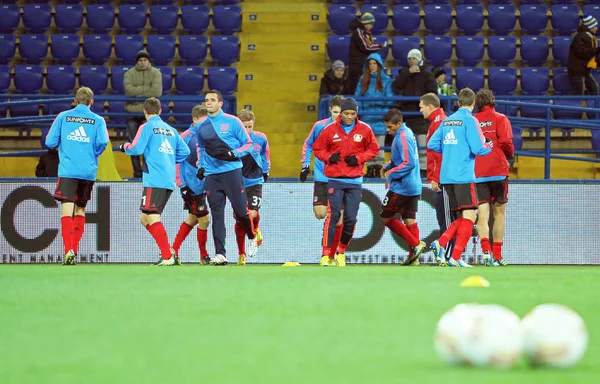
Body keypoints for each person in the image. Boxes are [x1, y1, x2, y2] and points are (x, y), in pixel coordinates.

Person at [427, 88, 493, 268]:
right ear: (473, 104)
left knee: (461, 218)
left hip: (446, 177)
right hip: (463, 175)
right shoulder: (470, 121)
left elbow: (432, 143)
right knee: (470, 216)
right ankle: (453, 253)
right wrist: (490, 145)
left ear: (458, 103)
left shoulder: (447, 121)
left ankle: (443, 246)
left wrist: (450, 151)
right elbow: (479, 148)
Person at [120, 97, 190, 266]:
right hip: (168, 178)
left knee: (152, 216)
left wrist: (124, 147)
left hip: (154, 178)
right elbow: (185, 151)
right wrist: (169, 158)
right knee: (144, 218)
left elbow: (136, 148)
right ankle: (168, 250)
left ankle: (167, 256)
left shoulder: (147, 127)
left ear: (144, 111)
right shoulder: (171, 130)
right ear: (160, 111)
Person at [45, 87, 109, 265]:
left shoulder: (63, 116)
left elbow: (49, 141)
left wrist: (65, 146)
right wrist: (93, 153)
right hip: (87, 171)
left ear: (75, 100)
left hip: (68, 170)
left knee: (67, 209)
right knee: (80, 209)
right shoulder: (98, 120)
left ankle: (69, 250)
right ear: (92, 102)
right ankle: (75, 249)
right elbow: (103, 141)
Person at [313, 98, 380, 266]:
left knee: (350, 219)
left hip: (355, 181)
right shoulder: (329, 129)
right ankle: (325, 254)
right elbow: (317, 148)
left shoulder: (365, 129)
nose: (349, 117)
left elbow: (374, 150)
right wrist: (329, 157)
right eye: (346, 113)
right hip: (335, 180)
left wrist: (358, 158)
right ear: (340, 113)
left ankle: (341, 251)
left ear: (356, 113)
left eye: (352, 113)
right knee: (333, 215)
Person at [195, 90, 258, 266]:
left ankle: (252, 236)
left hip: (232, 172)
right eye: (206, 100)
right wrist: (201, 166)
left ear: (220, 103)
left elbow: (249, 145)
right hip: (212, 175)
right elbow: (200, 147)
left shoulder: (233, 122)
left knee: (240, 211)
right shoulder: (201, 126)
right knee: (217, 214)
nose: (209, 103)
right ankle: (220, 254)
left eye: (213, 100)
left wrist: (234, 153)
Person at [300, 95, 345, 266]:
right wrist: (305, 165)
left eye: (341, 113)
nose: (338, 116)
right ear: (330, 110)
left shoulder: (349, 130)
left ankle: (330, 254)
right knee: (320, 214)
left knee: (335, 217)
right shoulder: (320, 126)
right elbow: (308, 144)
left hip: (339, 178)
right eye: (335, 112)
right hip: (321, 176)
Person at [473, 89, 514, 267]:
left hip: (478, 172)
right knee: (499, 213)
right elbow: (506, 142)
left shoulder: (472, 121)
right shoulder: (500, 118)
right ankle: (497, 254)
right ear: (493, 101)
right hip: (498, 170)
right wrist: (509, 155)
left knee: (482, 214)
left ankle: (486, 253)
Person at [380, 109, 426, 266]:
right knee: (410, 220)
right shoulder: (406, 132)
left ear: (398, 124)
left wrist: (391, 174)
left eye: (390, 127)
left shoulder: (402, 137)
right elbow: (402, 158)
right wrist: (388, 165)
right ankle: (414, 259)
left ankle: (416, 243)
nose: (388, 130)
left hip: (403, 186)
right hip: (413, 185)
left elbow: (409, 163)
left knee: (386, 217)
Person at [172, 104, 212, 265]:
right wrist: (182, 185)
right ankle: (204, 255)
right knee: (205, 220)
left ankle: (172, 251)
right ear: (194, 120)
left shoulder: (208, 135)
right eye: (202, 122)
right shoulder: (186, 137)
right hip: (191, 187)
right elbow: (177, 162)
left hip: (203, 186)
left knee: (193, 219)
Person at [392, 49, 437, 176]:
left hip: (422, 114)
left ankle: (423, 169)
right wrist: (407, 73)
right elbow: (396, 86)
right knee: (408, 145)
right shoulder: (404, 72)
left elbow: (433, 92)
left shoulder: (427, 74)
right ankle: (409, 168)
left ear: (419, 59)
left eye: (414, 58)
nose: (412, 61)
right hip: (408, 114)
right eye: (409, 59)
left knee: (423, 143)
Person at [420, 92, 453, 266]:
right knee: (444, 218)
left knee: (446, 219)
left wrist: (435, 178)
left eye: (421, 107)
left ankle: (448, 255)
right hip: (442, 177)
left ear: (430, 106)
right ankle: (447, 254)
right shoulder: (438, 121)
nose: (420, 111)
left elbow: (438, 155)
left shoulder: (439, 122)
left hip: (442, 179)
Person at [235, 108, 270, 266]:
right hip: (237, 182)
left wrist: (265, 171)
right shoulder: (233, 140)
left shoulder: (261, 138)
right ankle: (241, 254)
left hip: (255, 181)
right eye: (244, 127)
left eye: (250, 126)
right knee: (239, 219)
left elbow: (265, 155)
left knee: (252, 212)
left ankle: (254, 233)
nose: (247, 130)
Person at [124, 50, 163, 178]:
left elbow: (157, 91)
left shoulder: (156, 73)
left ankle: (147, 172)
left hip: (149, 114)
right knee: (133, 143)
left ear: (148, 61)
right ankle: (137, 173)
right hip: (132, 113)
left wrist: (138, 94)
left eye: (145, 60)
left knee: (149, 143)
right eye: (140, 60)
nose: (142, 62)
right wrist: (147, 91)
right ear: (137, 62)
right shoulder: (129, 74)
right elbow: (129, 91)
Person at [354, 53, 393, 177]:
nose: (372, 66)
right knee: (368, 146)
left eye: (374, 63)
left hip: (380, 118)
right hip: (366, 118)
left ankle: (379, 169)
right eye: (370, 63)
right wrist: (362, 111)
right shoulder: (362, 79)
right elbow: (358, 97)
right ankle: (370, 169)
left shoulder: (386, 80)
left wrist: (383, 112)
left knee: (379, 146)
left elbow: (390, 99)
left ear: (379, 65)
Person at [347, 12, 385, 95]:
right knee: (356, 86)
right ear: (365, 23)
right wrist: (379, 46)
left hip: (362, 63)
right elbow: (366, 47)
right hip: (357, 65)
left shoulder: (365, 32)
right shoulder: (359, 32)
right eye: (370, 24)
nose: (372, 26)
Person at [568, 15, 600, 95]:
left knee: (594, 89)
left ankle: (594, 107)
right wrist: (598, 49)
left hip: (584, 70)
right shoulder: (581, 36)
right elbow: (582, 52)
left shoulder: (590, 37)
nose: (597, 28)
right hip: (578, 70)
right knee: (580, 93)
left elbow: (592, 55)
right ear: (590, 26)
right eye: (595, 26)